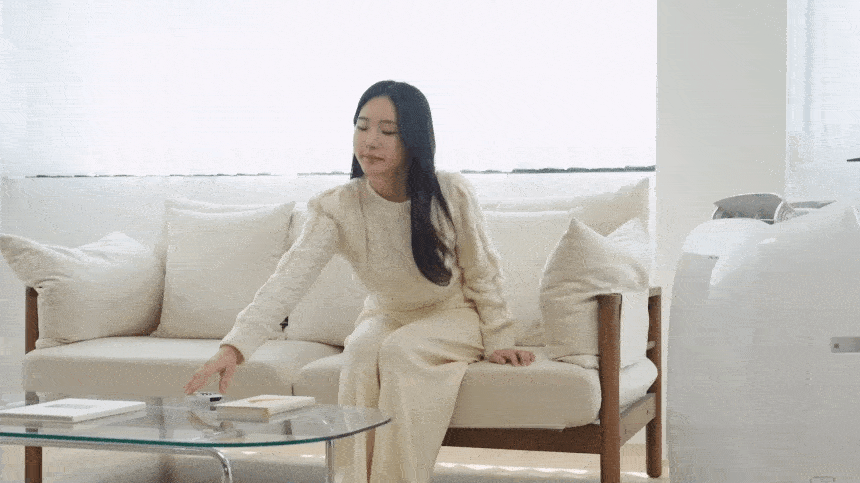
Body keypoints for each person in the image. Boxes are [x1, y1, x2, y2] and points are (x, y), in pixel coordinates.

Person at [184, 80, 535, 483]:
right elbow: (288, 279)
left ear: (413, 139)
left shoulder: (450, 192)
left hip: (455, 314)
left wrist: (499, 337)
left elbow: (482, 269)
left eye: (388, 131)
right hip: (387, 314)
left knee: (402, 350)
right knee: (361, 350)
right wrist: (234, 347)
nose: (370, 141)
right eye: (362, 126)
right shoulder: (337, 206)